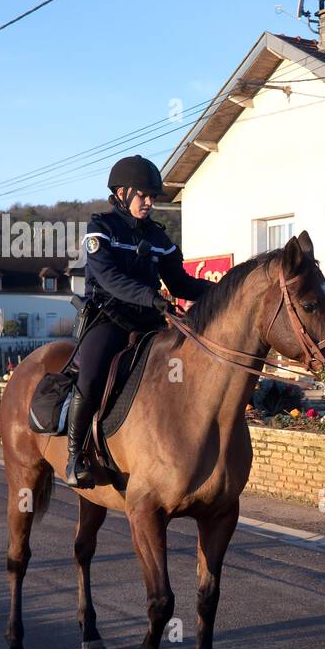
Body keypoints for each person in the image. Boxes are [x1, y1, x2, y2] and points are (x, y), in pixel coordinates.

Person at [66, 155, 212, 488]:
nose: (149, 202)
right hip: (108, 317)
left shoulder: (159, 237)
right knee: (90, 376)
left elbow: (182, 283)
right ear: (121, 192)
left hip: (149, 321)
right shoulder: (100, 228)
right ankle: (75, 456)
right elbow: (109, 278)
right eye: (143, 195)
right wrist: (153, 298)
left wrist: (227, 290)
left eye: (152, 197)